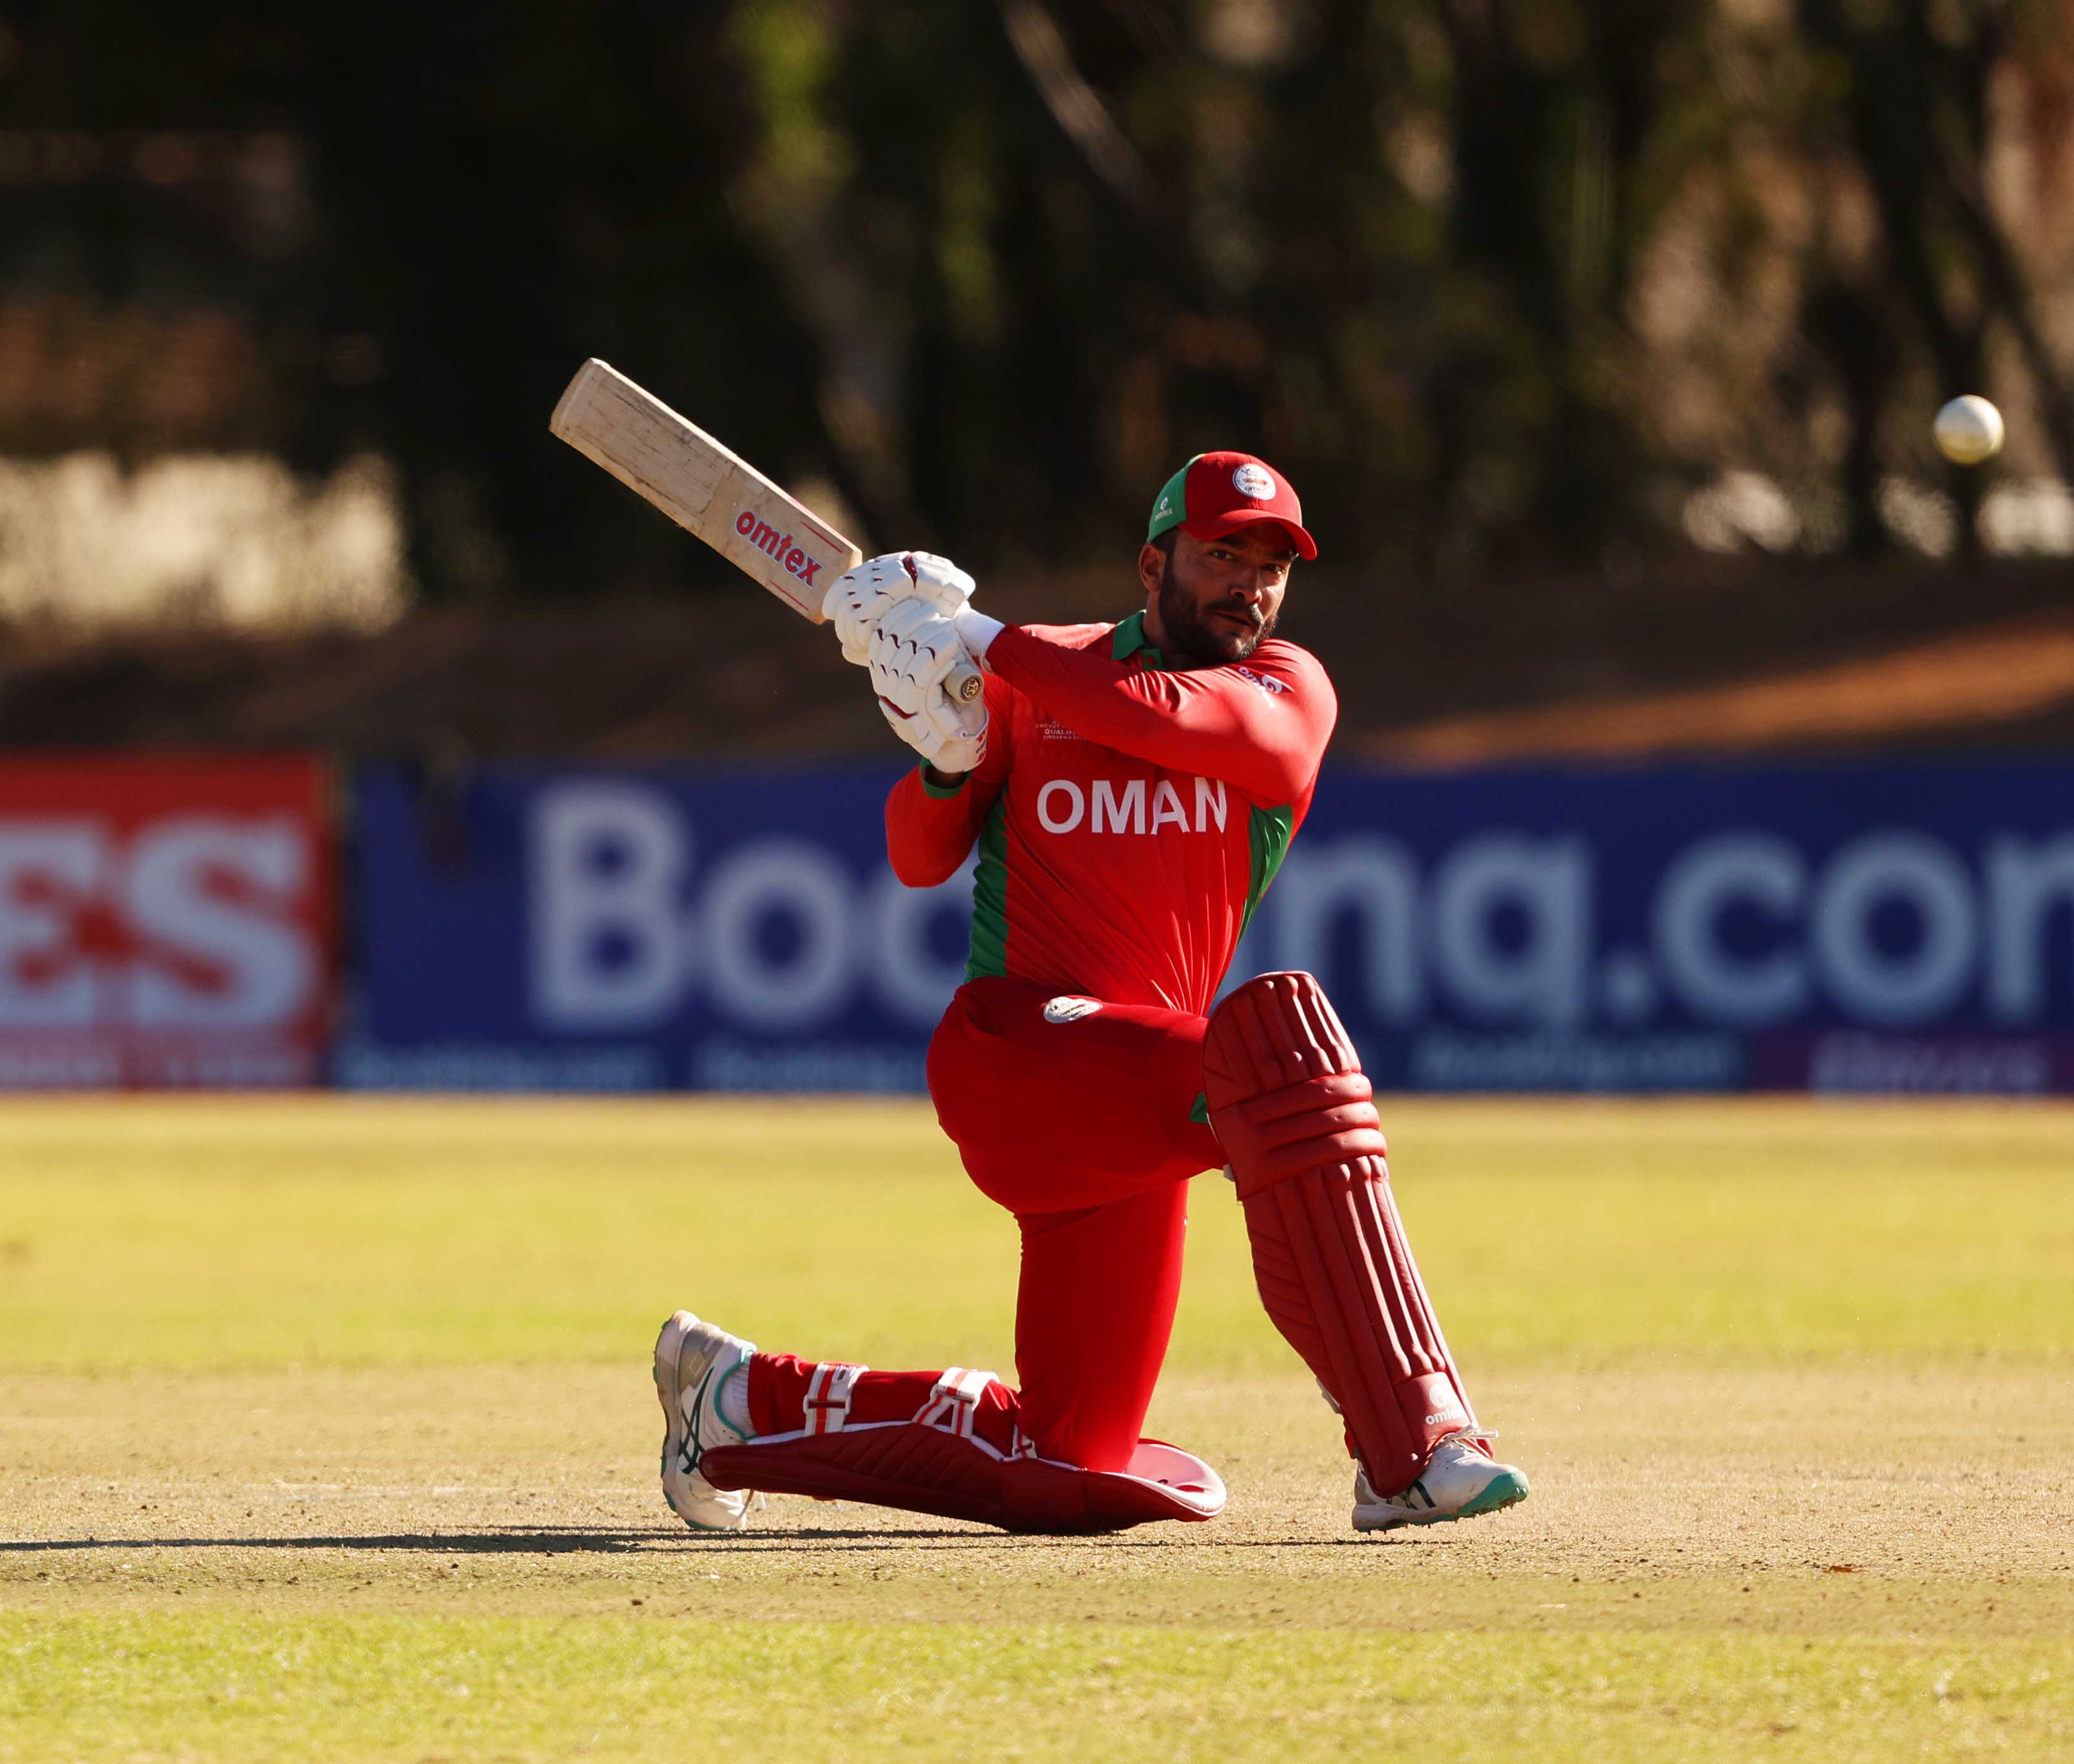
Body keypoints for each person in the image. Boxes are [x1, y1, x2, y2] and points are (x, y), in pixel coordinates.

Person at [651, 452, 1531, 1535]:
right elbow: (918, 857)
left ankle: (733, 1402)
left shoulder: (1286, 690)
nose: (1247, 585)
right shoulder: (1033, 677)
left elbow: (1173, 719)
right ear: (1152, 563)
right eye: (1219, 556)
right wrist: (946, 755)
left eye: (1268, 565)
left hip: (1138, 1107)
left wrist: (979, 641)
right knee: (1281, 1047)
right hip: (1018, 1052)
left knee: (1069, 1463)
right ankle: (1415, 1444)